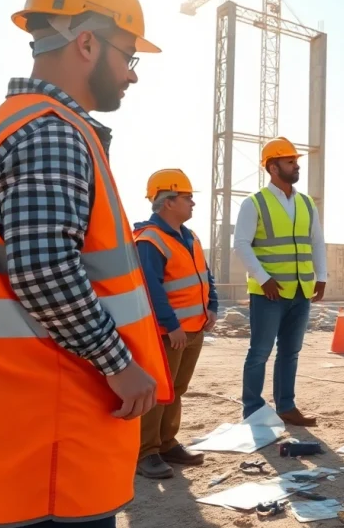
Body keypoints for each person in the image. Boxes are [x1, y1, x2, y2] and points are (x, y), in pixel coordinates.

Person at [0, 0, 172, 528]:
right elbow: (43, 270)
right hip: (57, 425)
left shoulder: (8, 126)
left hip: (28, 419)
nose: (131, 76)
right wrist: (119, 364)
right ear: (87, 42)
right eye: (128, 57)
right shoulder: (51, 131)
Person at [234, 137, 327, 426]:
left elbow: (316, 242)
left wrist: (321, 277)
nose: (296, 166)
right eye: (290, 161)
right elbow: (241, 244)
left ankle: (286, 407)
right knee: (260, 351)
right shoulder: (254, 203)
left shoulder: (306, 202)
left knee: (291, 352)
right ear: (273, 167)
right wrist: (263, 279)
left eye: (296, 161)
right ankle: (253, 410)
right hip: (268, 293)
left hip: (300, 290)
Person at [134, 169, 219, 479]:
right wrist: (171, 326)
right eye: (187, 197)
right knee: (159, 390)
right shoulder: (149, 241)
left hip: (194, 327)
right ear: (168, 202)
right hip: (169, 332)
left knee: (177, 388)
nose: (193, 202)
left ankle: (167, 443)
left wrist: (213, 306)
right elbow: (151, 288)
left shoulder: (190, 235)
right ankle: (146, 451)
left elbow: (205, 274)